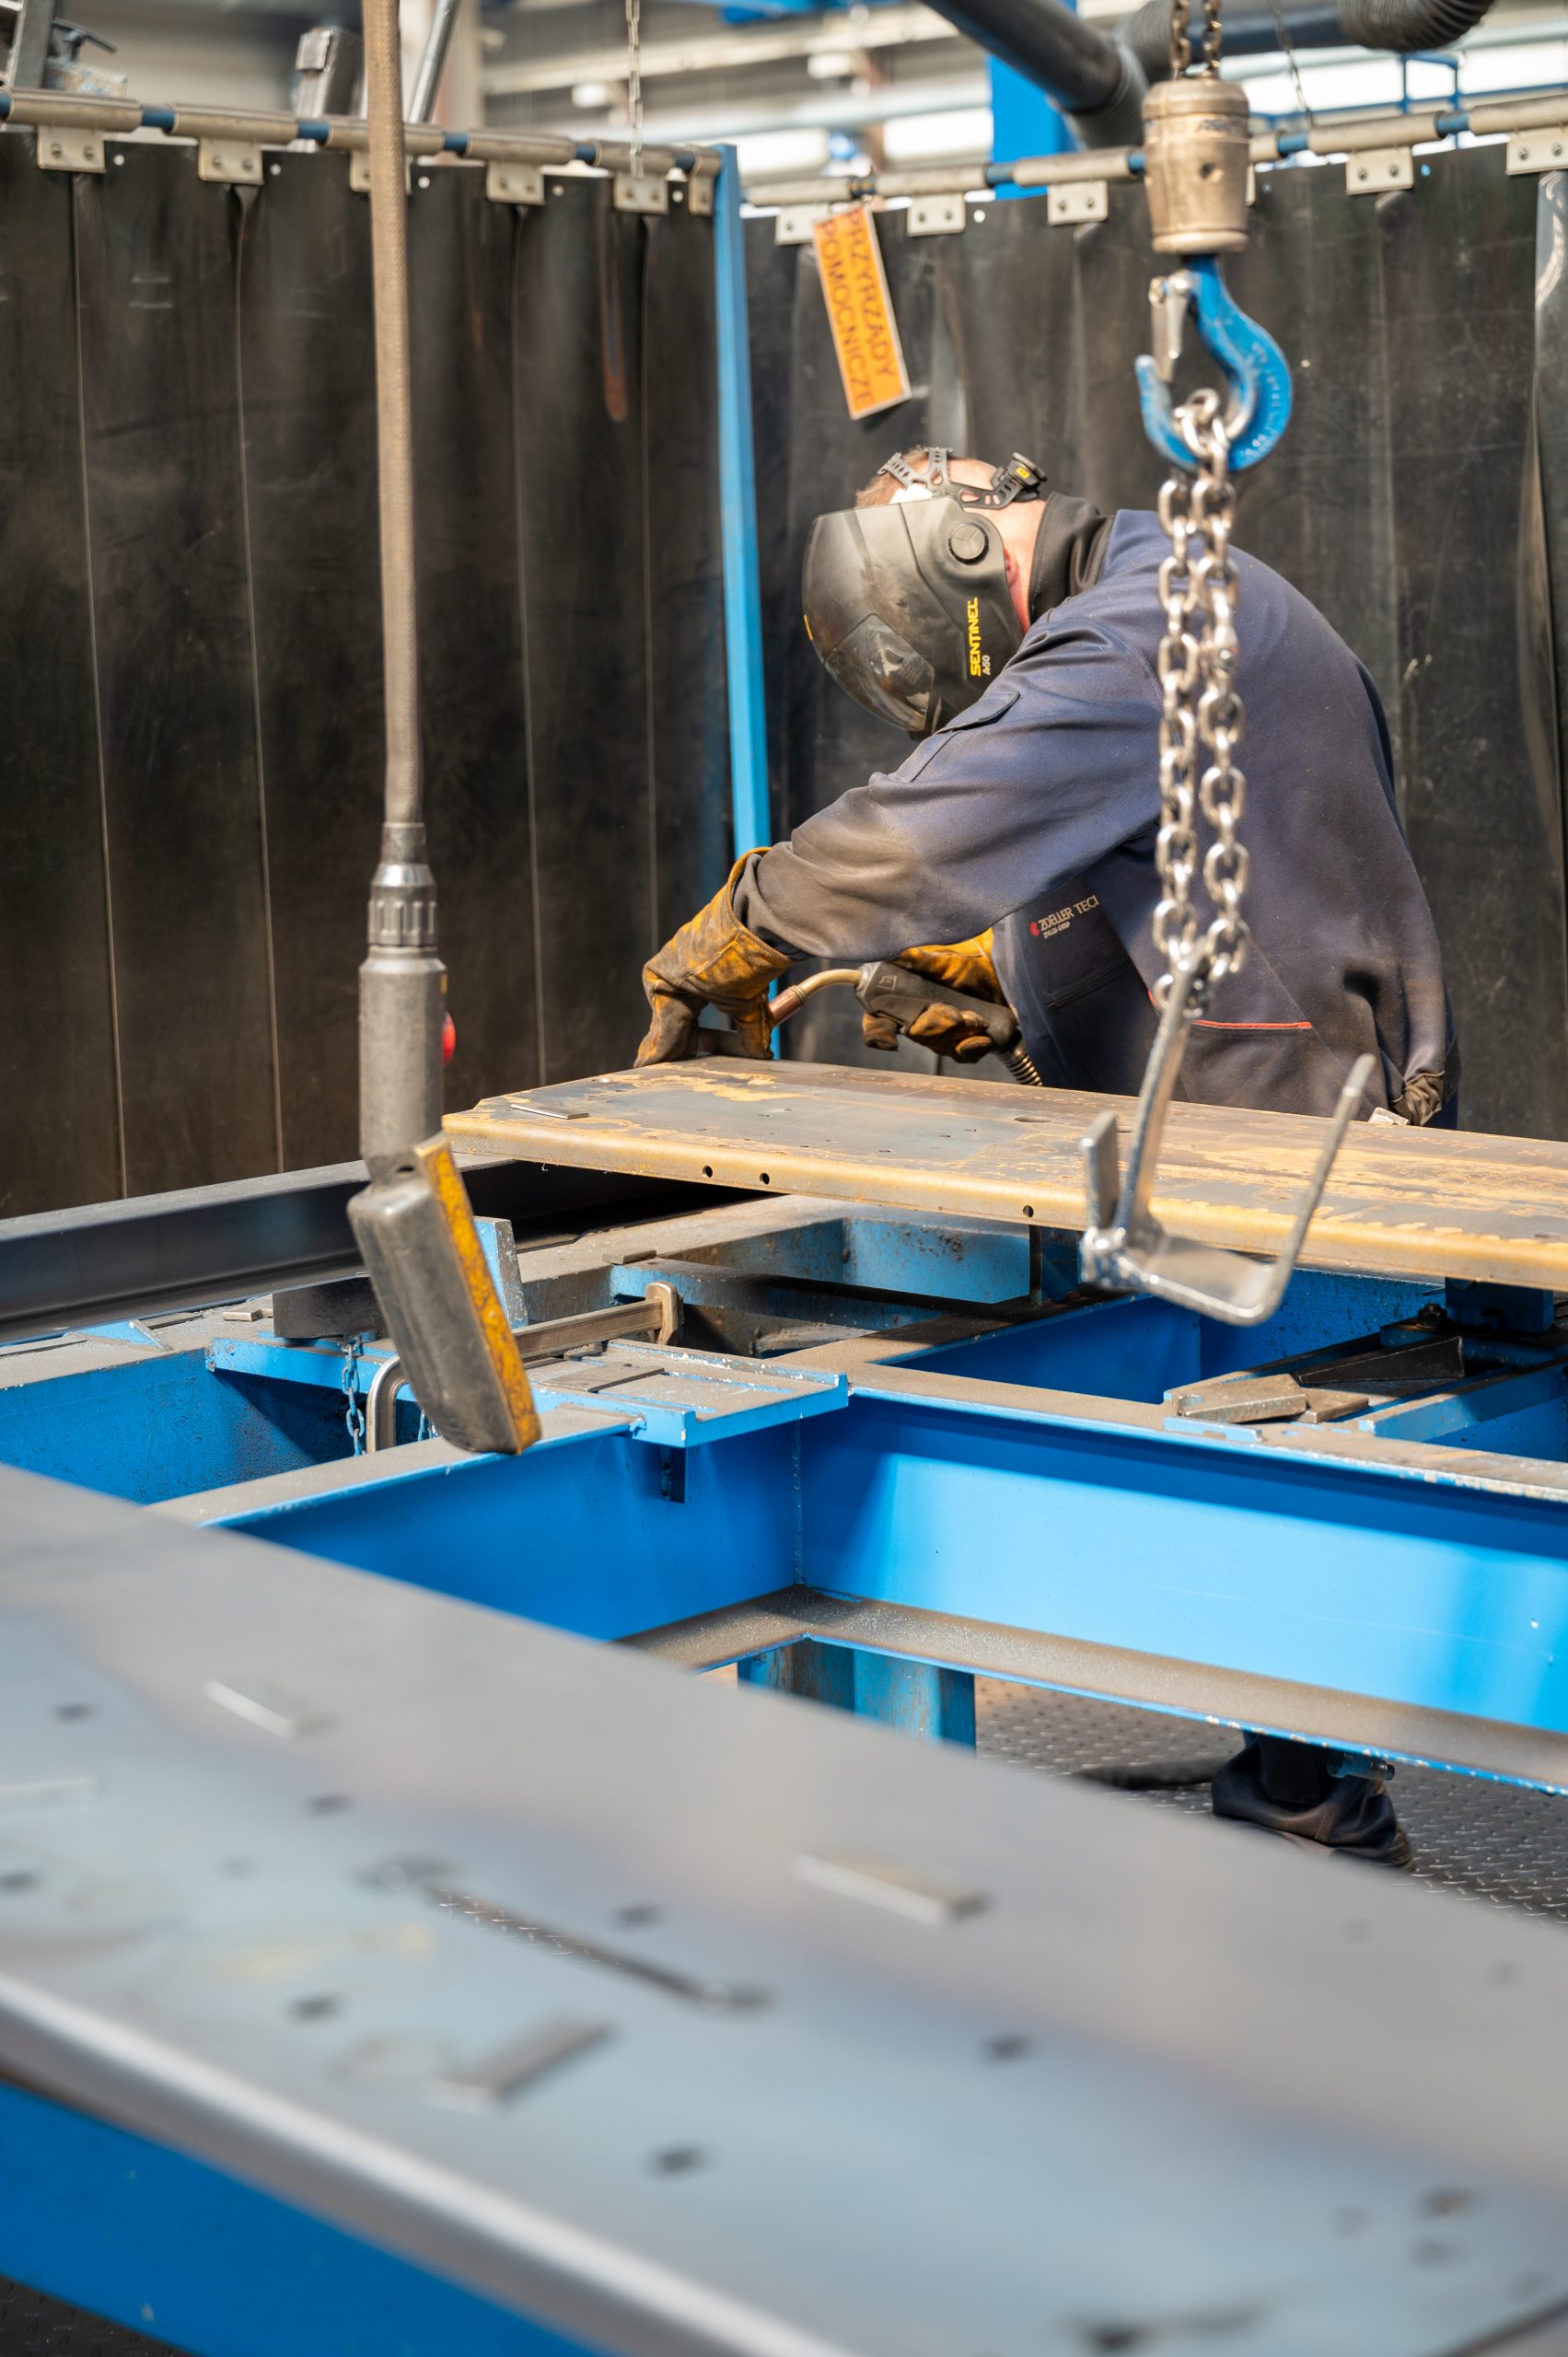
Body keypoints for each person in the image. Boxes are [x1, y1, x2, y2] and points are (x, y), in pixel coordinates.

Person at [635, 446, 1457, 1866]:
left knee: (1276, 1475)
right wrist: (1009, 980)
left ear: (955, 548)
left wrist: (750, 917)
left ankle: (1311, 1808)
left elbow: (927, 837)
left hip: (1287, 1141)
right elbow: (1159, 869)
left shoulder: (1146, 623)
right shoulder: (1161, 599)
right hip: (1269, 1110)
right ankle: (1297, 1782)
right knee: (1261, 1482)